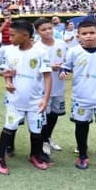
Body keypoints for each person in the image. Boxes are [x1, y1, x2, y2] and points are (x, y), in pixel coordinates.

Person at [59, 20, 96, 174]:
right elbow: (66, 67)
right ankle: (83, 155)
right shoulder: (73, 51)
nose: (88, 36)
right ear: (78, 36)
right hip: (81, 97)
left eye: (92, 33)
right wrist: (63, 72)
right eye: (84, 34)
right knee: (81, 126)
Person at [0, 19, 51, 175]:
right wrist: (8, 81)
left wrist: (45, 99)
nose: (9, 38)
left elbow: (47, 77)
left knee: (36, 131)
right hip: (15, 100)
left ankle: (35, 155)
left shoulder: (40, 52)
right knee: (9, 128)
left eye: (12, 35)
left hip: (36, 101)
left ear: (25, 36)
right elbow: (6, 71)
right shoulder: (9, 51)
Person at [34, 17, 67, 161]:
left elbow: (66, 62)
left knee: (54, 114)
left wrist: (64, 70)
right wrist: (49, 68)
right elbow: (34, 68)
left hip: (59, 86)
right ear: (37, 32)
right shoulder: (36, 47)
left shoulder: (61, 43)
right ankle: (43, 141)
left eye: (49, 28)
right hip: (43, 88)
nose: (48, 31)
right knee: (44, 116)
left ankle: (48, 137)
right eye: (43, 29)